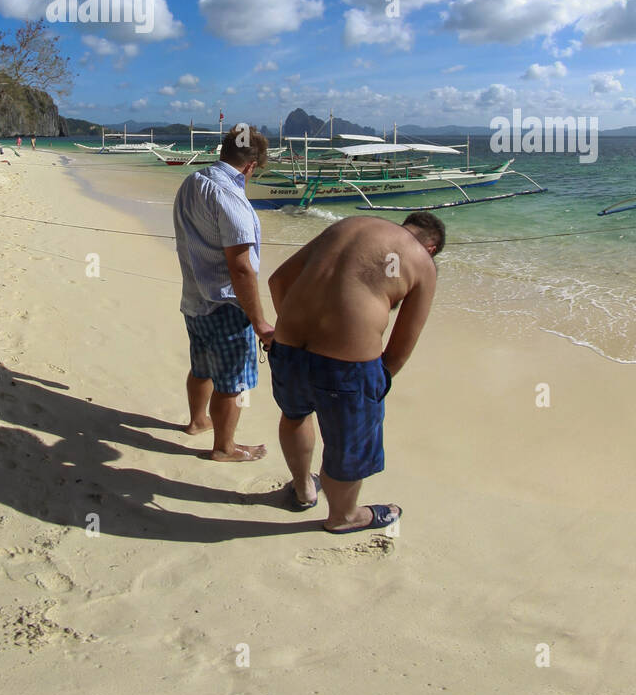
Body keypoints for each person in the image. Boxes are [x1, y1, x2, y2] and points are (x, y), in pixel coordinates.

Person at [267, 209, 442, 533]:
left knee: (295, 416)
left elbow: (277, 280)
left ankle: (304, 489)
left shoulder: (348, 225)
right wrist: (376, 381)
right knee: (349, 444)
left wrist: (293, 331)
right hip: (346, 367)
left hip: (288, 349)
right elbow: (401, 346)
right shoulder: (422, 262)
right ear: (432, 248)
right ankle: (343, 516)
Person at [170, 125, 272, 465]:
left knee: (202, 367)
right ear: (251, 165)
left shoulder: (191, 182)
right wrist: (259, 322)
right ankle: (224, 448)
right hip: (225, 305)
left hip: (194, 297)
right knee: (232, 382)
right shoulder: (229, 195)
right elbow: (241, 267)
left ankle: (198, 421)